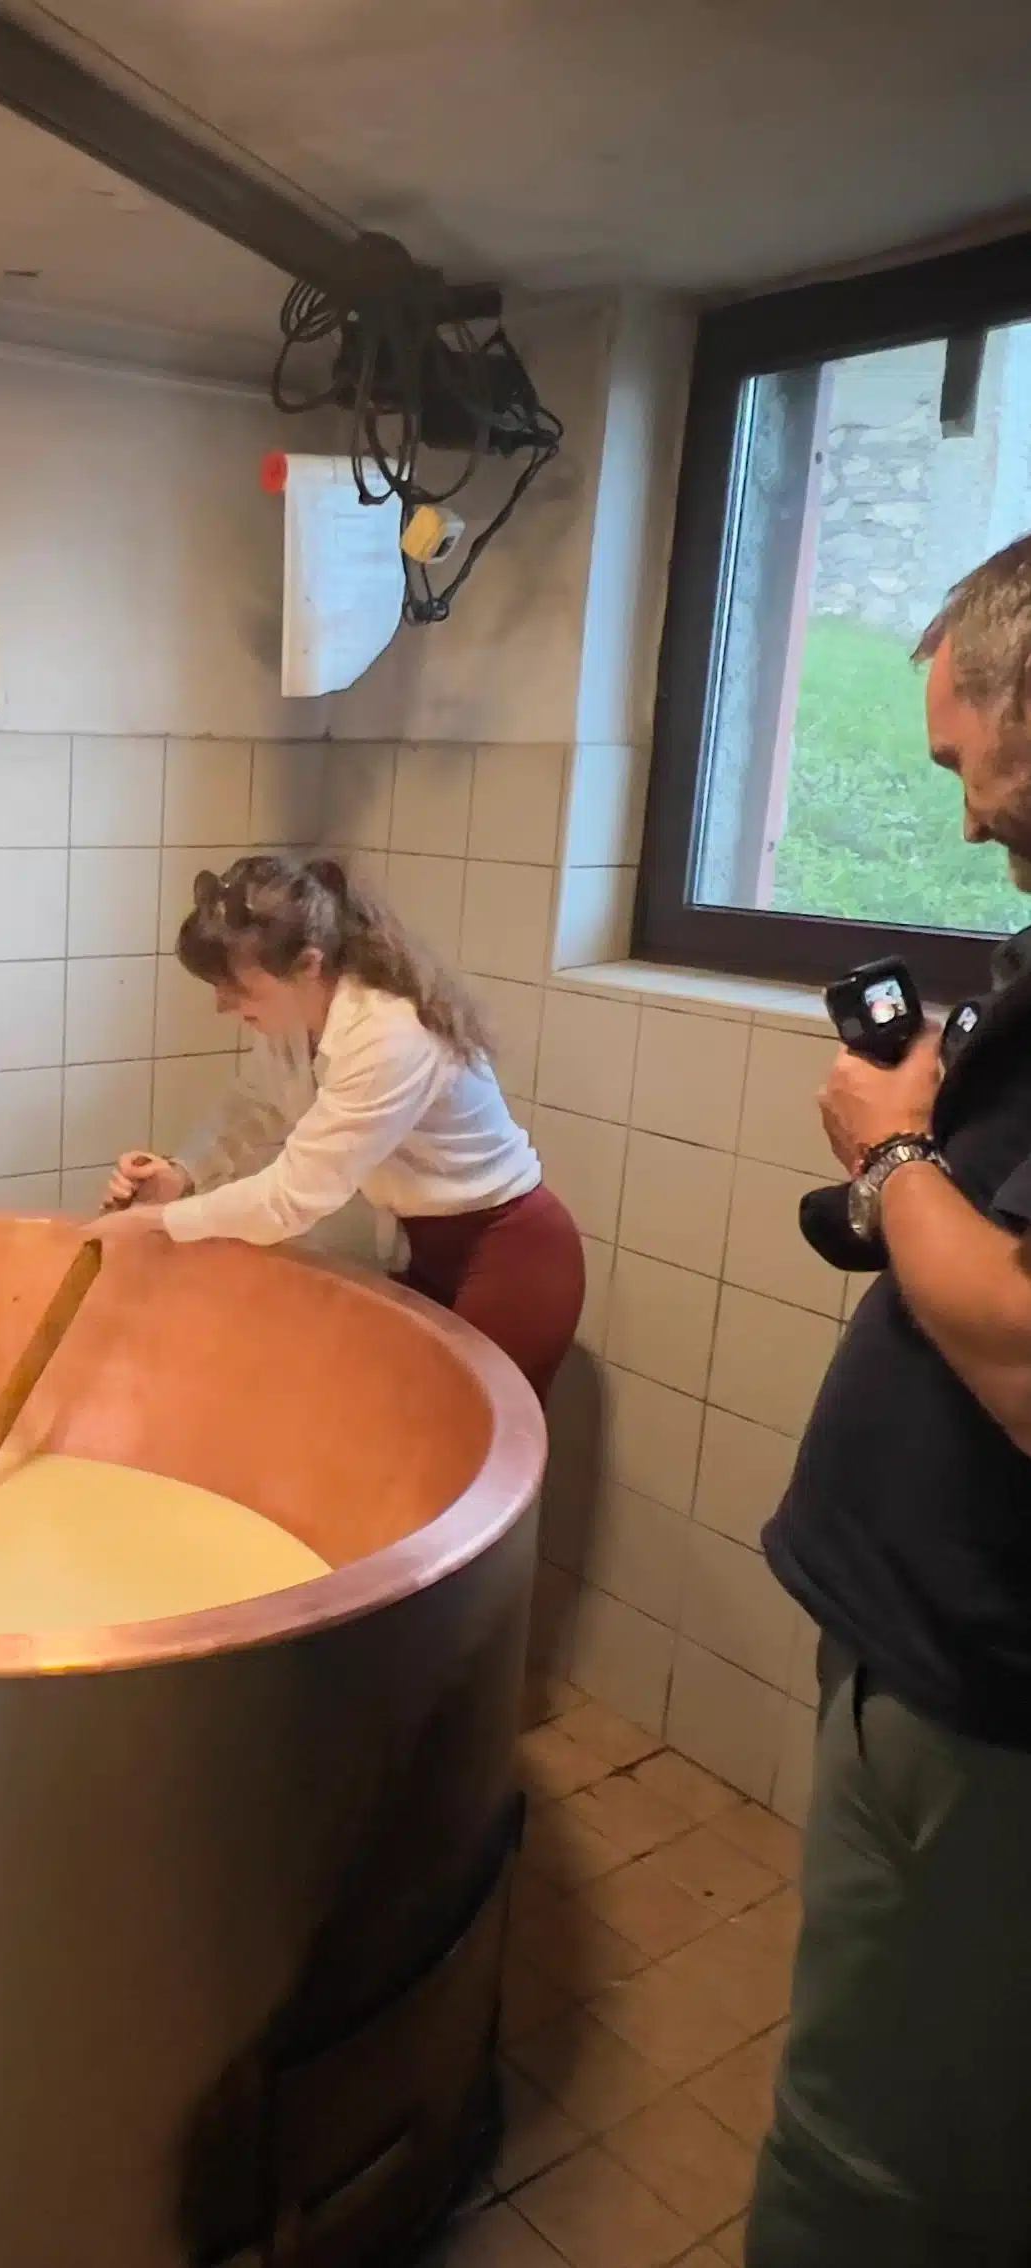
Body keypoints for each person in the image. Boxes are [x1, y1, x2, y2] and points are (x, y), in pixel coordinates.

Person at [749, 533, 1031, 2268]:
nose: (963, 815)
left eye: (959, 760)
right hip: (941, 1658)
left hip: (974, 1685)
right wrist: (922, 1166)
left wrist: (895, 1144)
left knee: (865, 2155)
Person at [88, 853, 584, 1403]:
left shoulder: (390, 1037)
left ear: (309, 964)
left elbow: (291, 1200)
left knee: (458, 1452)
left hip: (511, 1256)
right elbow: (254, 1105)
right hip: (423, 1248)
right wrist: (181, 1175)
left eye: (236, 987)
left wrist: (160, 1224)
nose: (220, 1003)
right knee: (397, 1443)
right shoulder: (297, 1017)